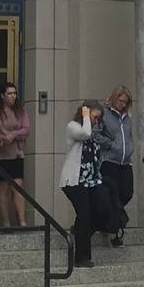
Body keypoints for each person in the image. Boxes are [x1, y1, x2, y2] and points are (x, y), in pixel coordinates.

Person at [58, 102, 106, 267]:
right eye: (94, 117)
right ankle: (82, 258)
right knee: (85, 215)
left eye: (97, 118)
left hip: (91, 180)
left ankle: (78, 230)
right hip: (75, 180)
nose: (95, 121)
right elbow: (85, 134)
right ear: (85, 112)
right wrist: (86, 116)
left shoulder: (92, 131)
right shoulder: (73, 126)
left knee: (102, 210)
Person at [0, 81, 30, 229]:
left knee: (18, 188)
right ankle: (6, 223)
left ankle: (22, 221)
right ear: (2, 95)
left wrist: (14, 135)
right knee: (3, 190)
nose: (13, 96)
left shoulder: (21, 111)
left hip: (16, 154)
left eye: (14, 93)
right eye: (9, 93)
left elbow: (26, 129)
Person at [91, 86, 135, 247]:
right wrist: (110, 145)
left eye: (126, 102)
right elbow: (95, 134)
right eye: (121, 101)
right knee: (112, 194)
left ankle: (106, 220)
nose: (123, 104)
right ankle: (115, 227)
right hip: (109, 160)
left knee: (127, 193)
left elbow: (128, 137)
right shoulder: (104, 113)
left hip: (125, 161)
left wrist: (129, 149)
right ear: (115, 98)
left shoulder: (127, 118)